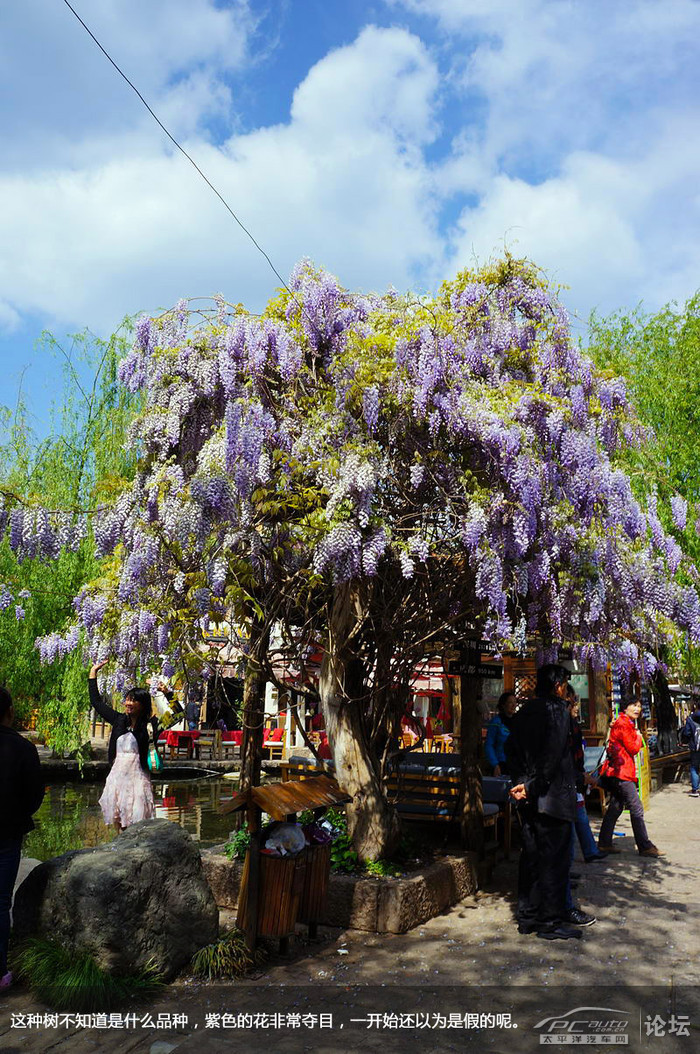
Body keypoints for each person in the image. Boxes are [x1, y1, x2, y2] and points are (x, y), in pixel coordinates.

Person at [506, 664, 584, 940]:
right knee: (554, 862)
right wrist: (531, 786)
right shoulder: (557, 711)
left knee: (531, 858)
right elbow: (551, 758)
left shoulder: (525, 711)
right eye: (564, 683)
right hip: (551, 799)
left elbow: (510, 750)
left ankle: (527, 918)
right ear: (557, 685)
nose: (566, 690)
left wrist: (519, 783)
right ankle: (549, 923)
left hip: (528, 799)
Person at [0, 686, 45, 992]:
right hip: (6, 832)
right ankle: (0, 973)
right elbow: (34, 795)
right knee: (1, 903)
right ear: (10, 712)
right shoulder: (22, 748)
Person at [88, 661, 155, 832]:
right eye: (127, 699)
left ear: (143, 704)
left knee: (136, 818)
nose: (128, 703)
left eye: (133, 700)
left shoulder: (150, 725)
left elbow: (177, 714)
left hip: (138, 777)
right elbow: (96, 702)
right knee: (119, 817)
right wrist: (93, 673)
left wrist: (167, 692)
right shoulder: (118, 720)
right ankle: (120, 849)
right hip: (118, 776)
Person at [598, 698, 662, 857]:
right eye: (634, 705)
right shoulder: (624, 724)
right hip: (622, 772)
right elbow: (633, 748)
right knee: (636, 807)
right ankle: (645, 846)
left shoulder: (624, 723)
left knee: (616, 806)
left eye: (639, 706)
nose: (638, 709)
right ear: (625, 708)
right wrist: (639, 736)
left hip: (619, 771)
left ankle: (604, 843)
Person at [567, 688, 607, 863]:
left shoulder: (572, 723)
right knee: (568, 824)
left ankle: (589, 851)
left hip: (575, 777)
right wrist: (580, 776)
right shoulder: (563, 724)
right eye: (573, 702)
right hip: (567, 781)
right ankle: (567, 867)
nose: (576, 706)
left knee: (580, 815)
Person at [484, 692, 517, 776]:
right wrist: (495, 764)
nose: (513, 705)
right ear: (503, 705)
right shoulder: (496, 722)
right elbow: (489, 744)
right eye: (510, 702)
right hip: (501, 763)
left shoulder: (519, 721)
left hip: (516, 764)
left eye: (515, 702)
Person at [680, 705, 700, 796]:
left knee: (694, 767)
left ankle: (695, 790)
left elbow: (687, 733)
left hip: (695, 747)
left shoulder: (691, 718)